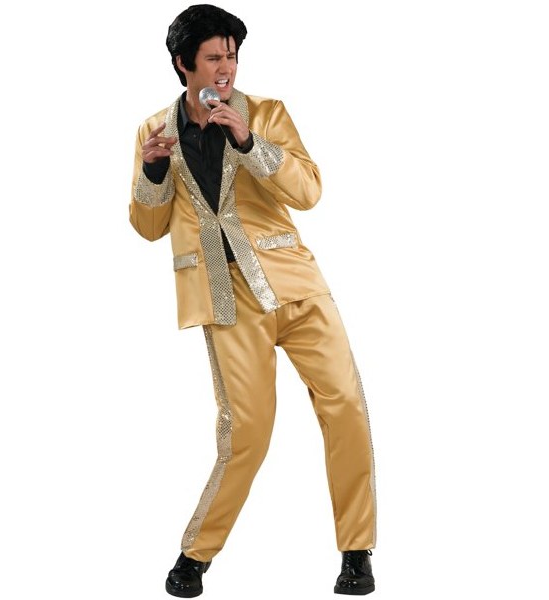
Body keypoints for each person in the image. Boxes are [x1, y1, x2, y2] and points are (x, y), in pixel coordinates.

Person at [129, 4, 377, 596]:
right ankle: (195, 555)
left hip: (296, 285)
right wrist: (153, 173)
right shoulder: (153, 131)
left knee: (346, 405)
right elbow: (148, 227)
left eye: (233, 56)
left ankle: (357, 550)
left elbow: (309, 191)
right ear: (183, 63)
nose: (226, 68)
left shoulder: (266, 113)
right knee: (247, 431)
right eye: (214, 57)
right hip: (226, 298)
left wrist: (248, 140)